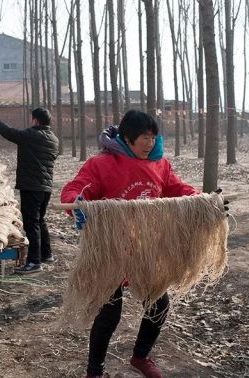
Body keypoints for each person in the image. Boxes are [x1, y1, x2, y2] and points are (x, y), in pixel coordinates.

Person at [60, 110, 199, 378]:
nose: (150, 143)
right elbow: (76, 189)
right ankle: (95, 371)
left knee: (159, 306)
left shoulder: (160, 164)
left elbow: (179, 190)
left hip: (147, 250)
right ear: (127, 137)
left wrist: (205, 201)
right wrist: (77, 202)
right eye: (144, 137)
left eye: (153, 137)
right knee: (109, 314)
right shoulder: (102, 164)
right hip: (112, 251)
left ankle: (141, 356)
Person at [0, 107, 59, 274]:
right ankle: (46, 254)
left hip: (31, 186)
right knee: (40, 220)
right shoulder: (54, 139)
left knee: (32, 223)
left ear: (36, 120)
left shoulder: (31, 135)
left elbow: (8, 132)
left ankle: (34, 262)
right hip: (46, 187)